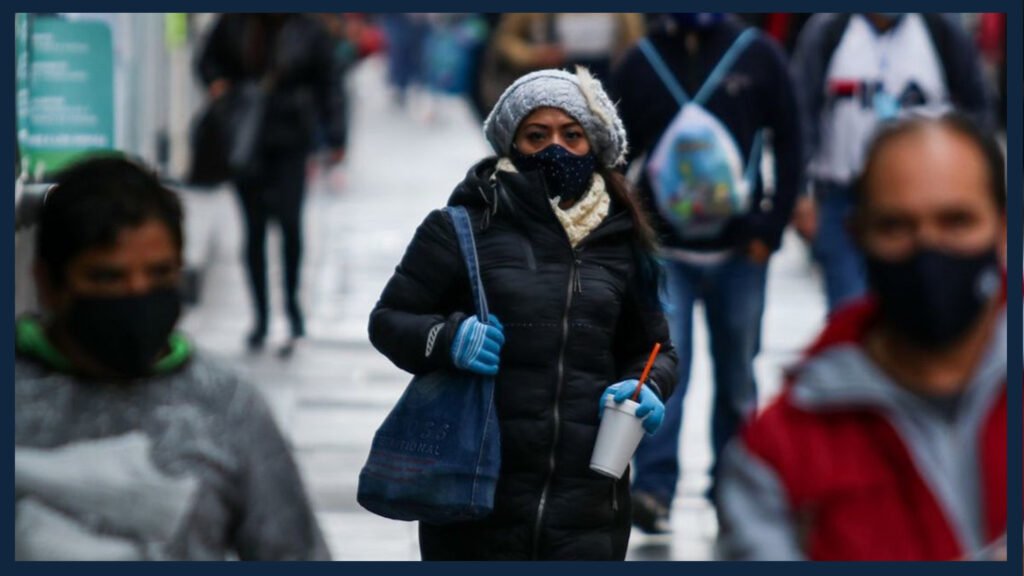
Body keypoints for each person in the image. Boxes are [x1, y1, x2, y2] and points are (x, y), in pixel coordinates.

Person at [368, 67, 678, 560]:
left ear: (593, 146)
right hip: (476, 498)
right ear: (511, 144)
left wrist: (648, 386)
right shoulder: (460, 228)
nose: (555, 148)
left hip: (589, 508)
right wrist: (450, 339)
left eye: (571, 135)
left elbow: (656, 349)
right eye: (537, 135)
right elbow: (389, 320)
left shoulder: (623, 240)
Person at [717, 114, 1007, 560]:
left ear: (1004, 231)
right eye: (896, 227)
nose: (927, 248)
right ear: (859, 238)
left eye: (956, 221)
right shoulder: (781, 457)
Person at [14, 156, 328, 560]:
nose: (136, 294)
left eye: (159, 275)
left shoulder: (227, 406)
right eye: (108, 277)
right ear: (48, 283)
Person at [607, 12, 803, 532]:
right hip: (665, 254)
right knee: (667, 373)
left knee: (738, 376)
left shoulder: (757, 54)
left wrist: (770, 226)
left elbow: (790, 137)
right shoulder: (640, 63)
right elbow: (612, 155)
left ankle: (735, 493)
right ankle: (653, 489)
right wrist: (626, 234)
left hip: (741, 254)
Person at [790, 13, 993, 313]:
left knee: (924, 306)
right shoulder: (829, 30)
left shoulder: (938, 29)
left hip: (927, 196)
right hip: (845, 196)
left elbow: (979, 108)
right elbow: (800, 115)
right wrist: (801, 193)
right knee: (850, 308)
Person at [196, 13, 346, 354]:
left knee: (291, 224)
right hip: (245, 137)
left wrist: (336, 135)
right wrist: (218, 84)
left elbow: (330, 81)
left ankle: (292, 311)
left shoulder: (308, 27)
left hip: (292, 135)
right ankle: (260, 317)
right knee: (254, 227)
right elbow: (206, 62)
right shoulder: (233, 22)